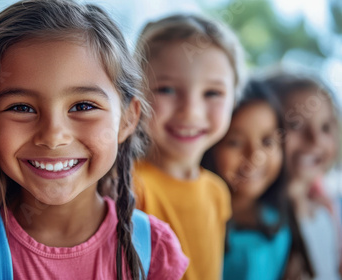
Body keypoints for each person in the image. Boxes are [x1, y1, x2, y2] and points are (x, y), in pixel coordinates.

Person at [0, 1, 189, 279]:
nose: (53, 136)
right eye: (21, 107)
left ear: (128, 119)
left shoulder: (155, 250)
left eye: (83, 106)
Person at [133, 14, 245, 280]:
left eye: (212, 93)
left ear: (234, 99)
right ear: (135, 94)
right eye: (167, 90)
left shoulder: (218, 193)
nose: (191, 113)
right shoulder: (130, 186)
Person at [202, 80, 296, 279]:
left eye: (267, 141)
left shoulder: (279, 217)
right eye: (235, 142)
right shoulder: (199, 222)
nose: (254, 155)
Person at [265, 71, 341, 280]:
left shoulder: (324, 216)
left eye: (325, 127)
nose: (315, 140)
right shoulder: (259, 226)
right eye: (296, 125)